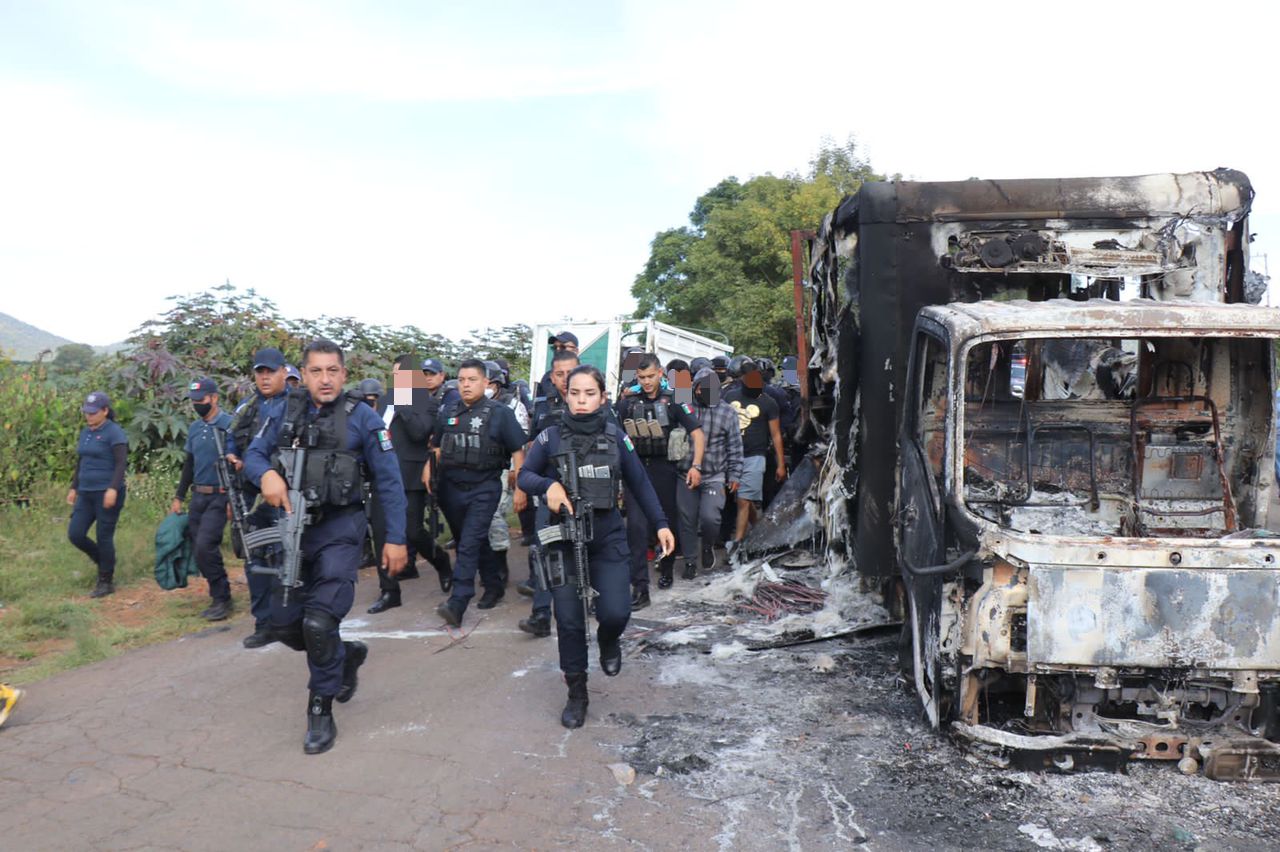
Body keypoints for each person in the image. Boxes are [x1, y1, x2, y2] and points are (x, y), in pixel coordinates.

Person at [244, 338, 408, 755]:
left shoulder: (363, 418)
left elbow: (390, 483)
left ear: (343, 374)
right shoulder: (285, 410)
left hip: (341, 528)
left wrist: (396, 538)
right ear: (304, 374)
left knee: (318, 621)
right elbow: (253, 455)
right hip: (292, 527)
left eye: (332, 370)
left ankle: (320, 706)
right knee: (281, 624)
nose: (325, 379)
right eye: (316, 371)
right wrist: (265, 475)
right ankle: (344, 654)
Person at [518, 365, 675, 728]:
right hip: (564, 538)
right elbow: (526, 475)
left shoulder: (617, 437)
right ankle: (577, 691)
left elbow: (640, 483)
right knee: (570, 621)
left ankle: (608, 640)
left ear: (602, 397)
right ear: (566, 395)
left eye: (590, 393)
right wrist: (548, 487)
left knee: (617, 612)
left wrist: (662, 524)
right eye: (575, 393)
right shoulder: (550, 436)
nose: (582, 400)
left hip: (606, 535)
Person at [426, 358, 527, 626]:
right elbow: (436, 446)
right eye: (461, 380)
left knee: (469, 544)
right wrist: (429, 470)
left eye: (472, 380)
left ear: (486, 383)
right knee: (470, 541)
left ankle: (458, 602)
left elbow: (518, 449)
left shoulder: (500, 413)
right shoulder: (448, 410)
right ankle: (493, 585)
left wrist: (521, 487)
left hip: (484, 486)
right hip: (450, 488)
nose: (466, 385)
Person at [616, 353, 705, 607]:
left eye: (650, 376)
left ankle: (666, 568)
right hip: (635, 470)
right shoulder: (627, 402)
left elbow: (697, 434)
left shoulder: (676, 399)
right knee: (636, 527)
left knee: (666, 522)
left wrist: (696, 466)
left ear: (660, 373)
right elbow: (615, 438)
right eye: (641, 377)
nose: (646, 382)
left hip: (665, 469)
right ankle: (640, 587)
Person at [367, 355, 449, 614]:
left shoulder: (428, 404)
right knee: (380, 531)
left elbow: (419, 432)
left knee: (412, 531)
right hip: (382, 475)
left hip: (410, 476)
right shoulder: (384, 402)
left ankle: (441, 561)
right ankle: (389, 590)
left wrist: (403, 403)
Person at [225, 348, 292, 647]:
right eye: (259, 372)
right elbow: (231, 438)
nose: (264, 377)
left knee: (286, 557)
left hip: (284, 494)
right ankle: (264, 623)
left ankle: (287, 619)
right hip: (250, 495)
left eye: (270, 371)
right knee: (254, 559)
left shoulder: (296, 404)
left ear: (284, 372)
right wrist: (232, 455)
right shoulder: (246, 407)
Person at [516, 348, 578, 637]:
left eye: (570, 373)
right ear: (552, 377)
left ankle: (588, 600)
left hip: (587, 497)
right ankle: (541, 614)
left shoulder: (595, 403)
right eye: (559, 374)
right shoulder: (543, 404)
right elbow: (531, 446)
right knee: (545, 550)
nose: (565, 380)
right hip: (551, 496)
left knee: (585, 551)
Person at [170, 378, 236, 621]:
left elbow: (237, 466)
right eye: (194, 401)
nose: (197, 404)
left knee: (205, 545)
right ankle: (217, 594)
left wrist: (232, 499)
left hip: (220, 496)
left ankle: (223, 598)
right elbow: (189, 465)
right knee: (199, 550)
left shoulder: (229, 425)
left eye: (201, 400)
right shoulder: (195, 428)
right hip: (198, 497)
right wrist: (179, 496)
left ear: (214, 398)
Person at [677, 369, 743, 578]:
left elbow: (735, 445)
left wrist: (734, 474)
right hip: (685, 473)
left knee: (710, 518)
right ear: (695, 389)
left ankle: (707, 546)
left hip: (714, 474)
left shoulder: (728, 412)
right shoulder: (683, 409)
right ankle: (689, 561)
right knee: (687, 520)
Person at [67, 391, 128, 598]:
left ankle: (105, 581)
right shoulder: (86, 432)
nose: (89, 416)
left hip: (107, 492)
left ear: (105, 411)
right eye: (86, 412)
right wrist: (74, 487)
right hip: (86, 492)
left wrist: (112, 488)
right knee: (75, 533)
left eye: (93, 413)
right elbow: (80, 462)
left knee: (104, 536)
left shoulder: (114, 433)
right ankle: (103, 561)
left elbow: (121, 464)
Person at [723, 360, 786, 556]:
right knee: (745, 501)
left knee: (743, 501)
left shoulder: (768, 402)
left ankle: (737, 545)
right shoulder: (729, 396)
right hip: (731, 455)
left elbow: (775, 434)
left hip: (756, 456)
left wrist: (781, 464)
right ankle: (760, 531)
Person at [482, 359, 530, 592]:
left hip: (503, 469)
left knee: (495, 517)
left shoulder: (512, 405)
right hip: (479, 471)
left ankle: (500, 565)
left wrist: (514, 469)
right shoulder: (471, 406)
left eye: (489, 382)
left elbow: (519, 442)